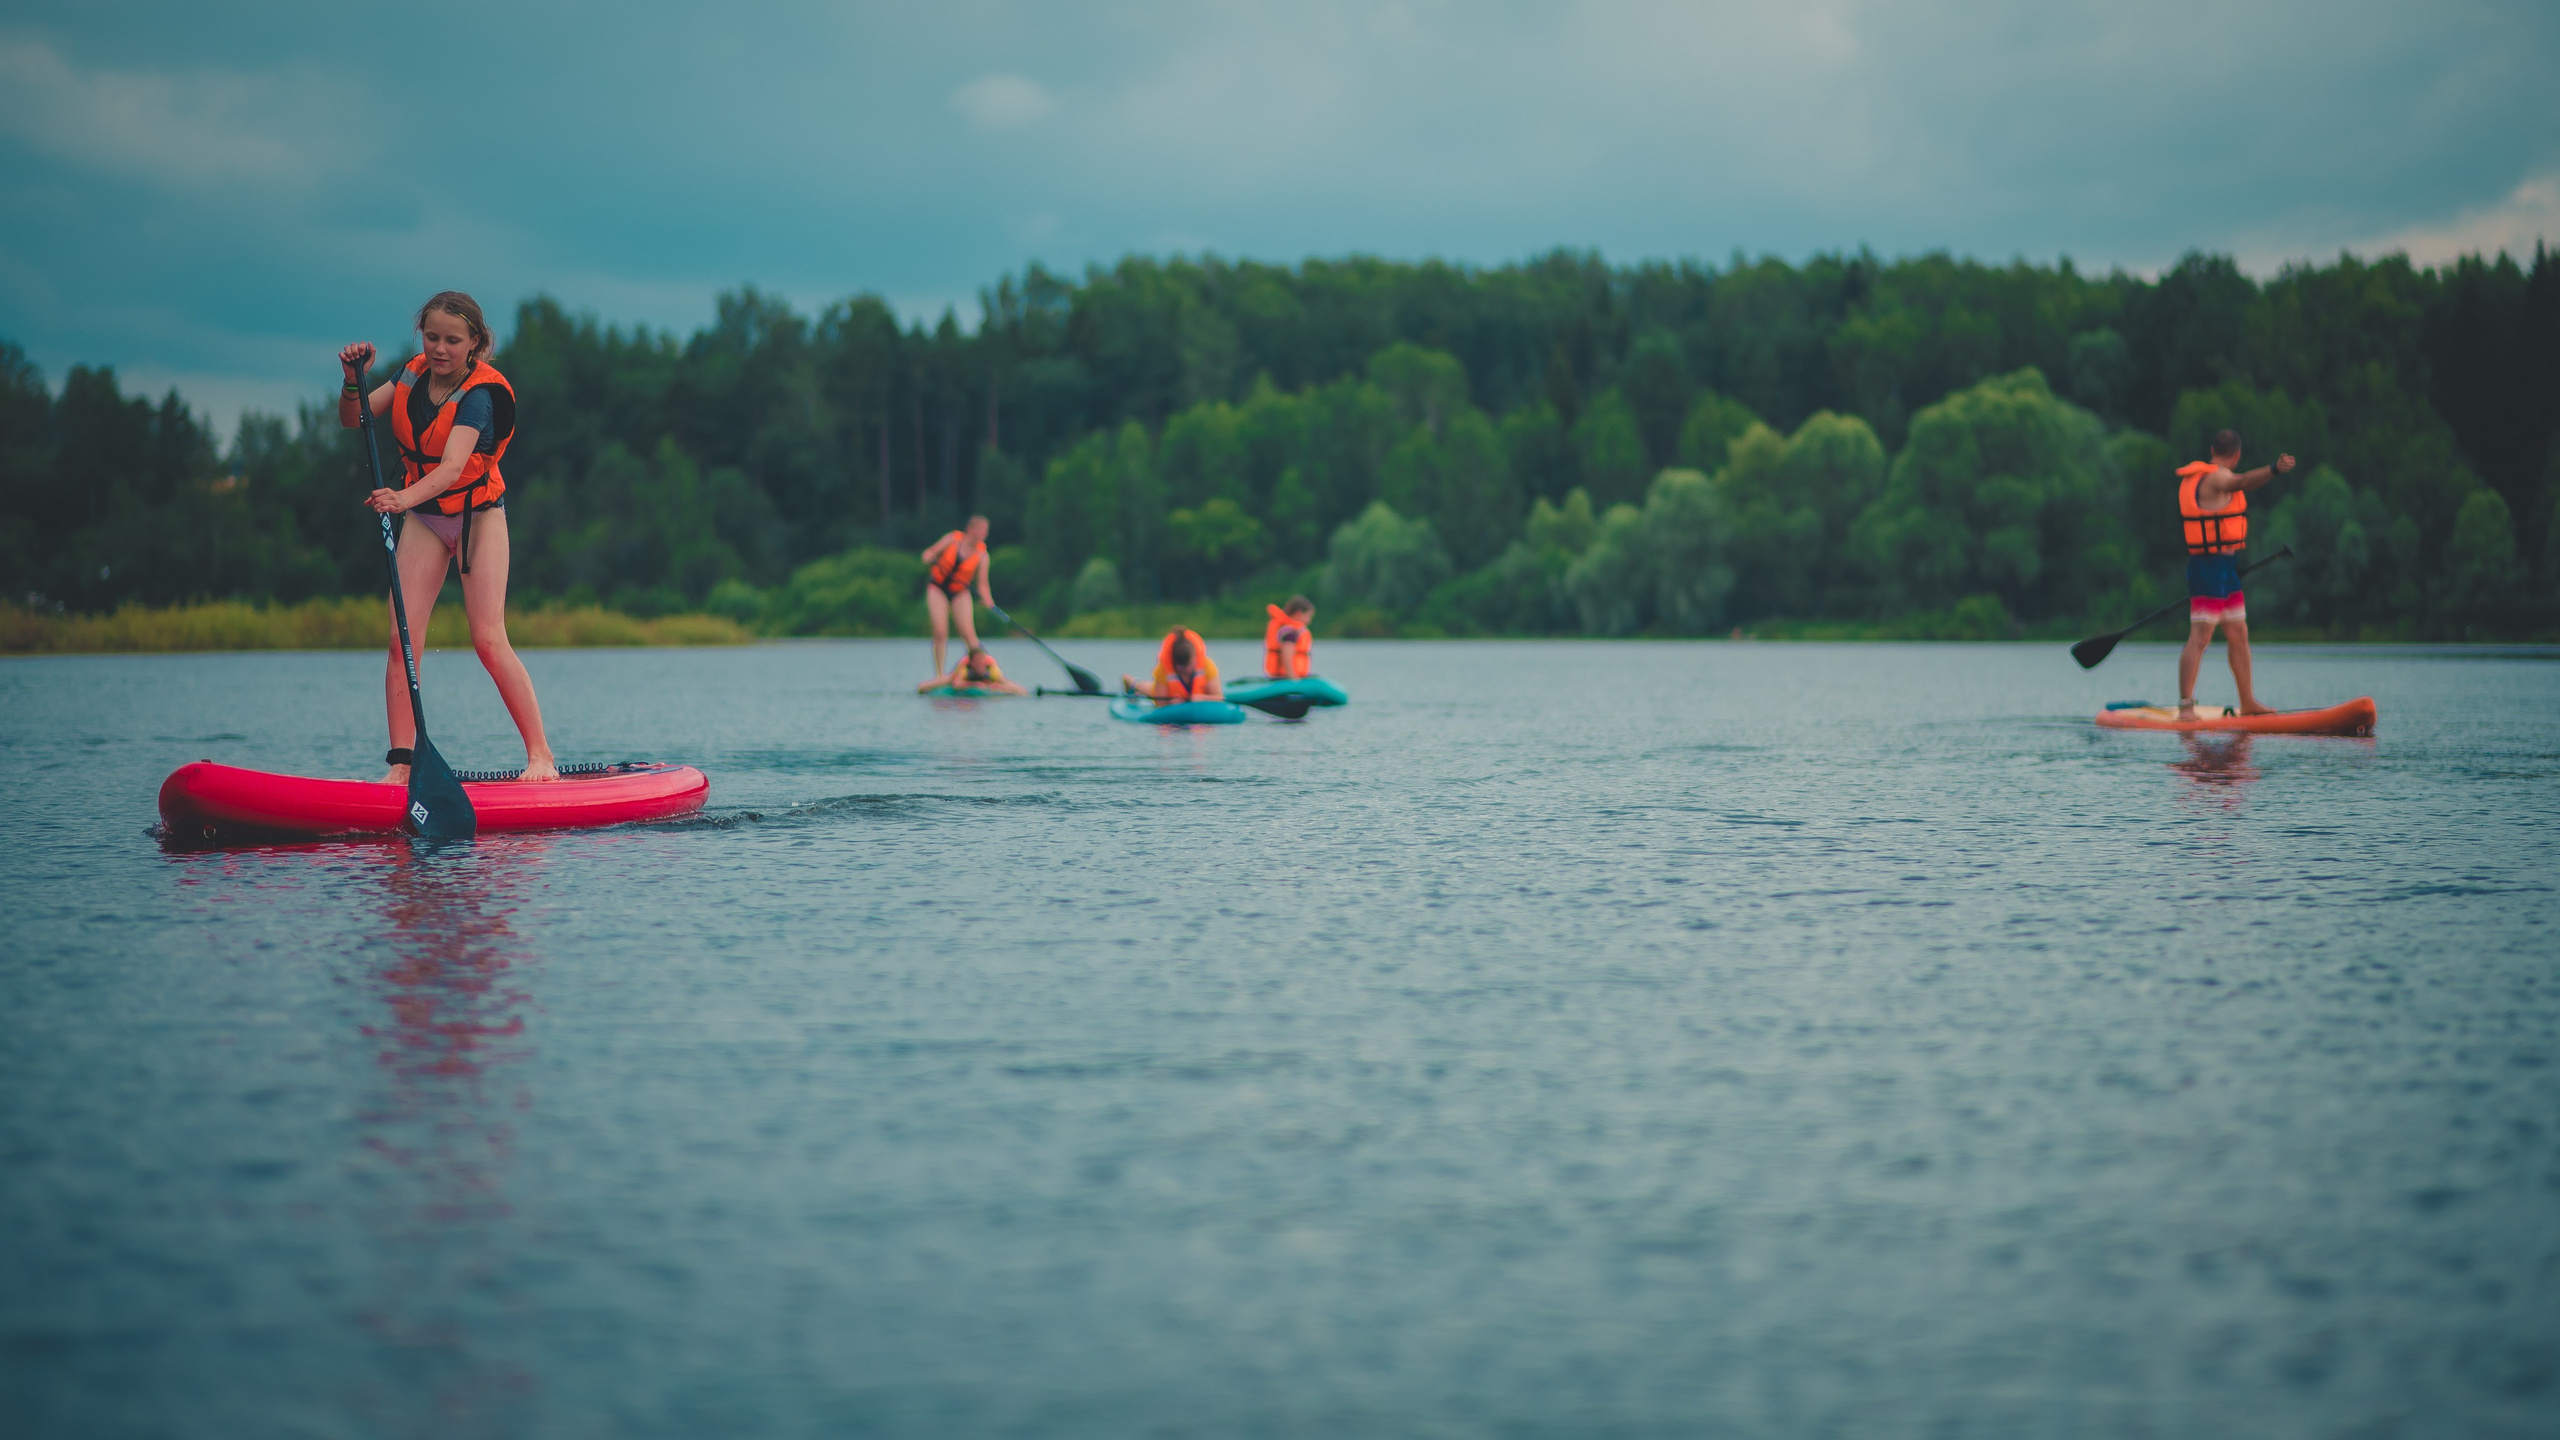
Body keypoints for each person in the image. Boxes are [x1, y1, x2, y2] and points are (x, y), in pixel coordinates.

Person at [340, 291, 557, 784]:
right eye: (432, 337)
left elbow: (454, 466)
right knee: (402, 644)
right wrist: (354, 381)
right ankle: (401, 768)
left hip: (477, 518)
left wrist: (401, 499)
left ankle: (541, 757)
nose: (440, 349)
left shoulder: (479, 397)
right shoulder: (411, 375)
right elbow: (354, 418)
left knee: (487, 639)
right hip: (426, 520)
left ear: (475, 343)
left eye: (453, 341)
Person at [2175, 429, 2294, 717]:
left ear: (2212, 449)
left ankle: (2248, 703)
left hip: (2226, 569)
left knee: (2238, 633)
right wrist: (2274, 470)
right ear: (2237, 454)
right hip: (2207, 568)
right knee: (2201, 636)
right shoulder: (2217, 477)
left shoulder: (2209, 475)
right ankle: (2185, 706)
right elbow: (2241, 482)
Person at [920, 515, 996, 678]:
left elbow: (982, 584)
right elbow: (931, 552)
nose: (984, 534)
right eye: (981, 530)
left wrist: (988, 600)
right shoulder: (952, 539)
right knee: (940, 631)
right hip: (938, 587)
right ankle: (940, 675)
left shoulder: (983, 556)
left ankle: (980, 672)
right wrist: (928, 556)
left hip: (960, 591)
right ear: (970, 529)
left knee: (969, 634)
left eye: (985, 531)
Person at [1123, 628, 1223, 703]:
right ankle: (1131, 682)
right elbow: (1160, 702)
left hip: (1198, 696)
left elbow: (1219, 697)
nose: (1187, 670)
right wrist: (1170, 702)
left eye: (1189, 665)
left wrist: (1202, 698)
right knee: (1149, 689)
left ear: (1195, 658)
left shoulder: (1208, 665)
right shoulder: (1163, 670)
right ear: (1174, 663)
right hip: (1168, 692)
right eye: (1182, 667)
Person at [918, 646, 1026, 695]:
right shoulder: (965, 666)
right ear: (972, 662)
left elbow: (1003, 681)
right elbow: (957, 684)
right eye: (977, 661)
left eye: (981, 660)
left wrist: (996, 687)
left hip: (986, 682)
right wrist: (975, 684)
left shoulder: (990, 666)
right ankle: (922, 687)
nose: (980, 663)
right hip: (959, 678)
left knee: (1015, 688)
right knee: (944, 680)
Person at [1262, 594, 1316, 678]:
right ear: (1299, 614)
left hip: (1282, 677)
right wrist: (1293, 677)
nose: (1309, 621)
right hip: (1285, 678)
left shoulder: (1288, 629)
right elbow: (1287, 654)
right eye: (1308, 616)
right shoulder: (1290, 632)